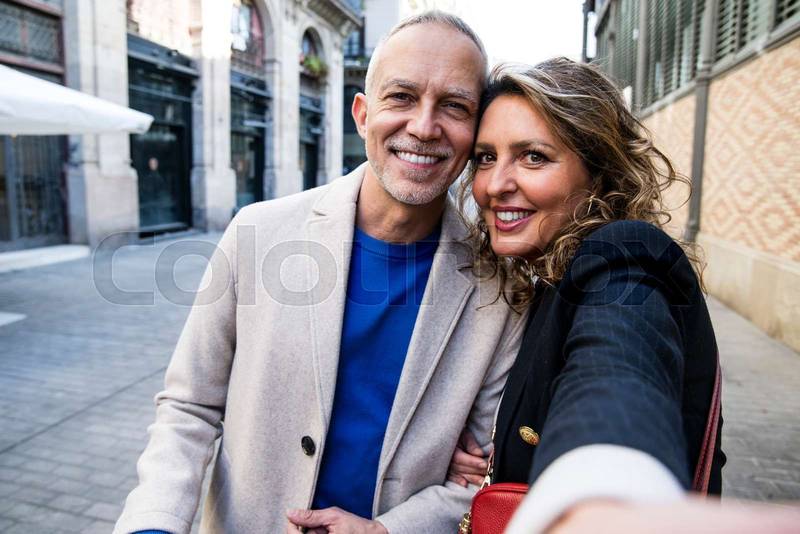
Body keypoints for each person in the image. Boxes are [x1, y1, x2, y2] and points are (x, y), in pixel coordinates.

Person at [113, 12, 527, 534]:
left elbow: (481, 474)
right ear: (362, 114)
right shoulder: (257, 232)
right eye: (401, 97)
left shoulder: (503, 290)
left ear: (476, 130)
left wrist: (388, 530)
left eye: (454, 106)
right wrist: (154, 522)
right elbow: (189, 408)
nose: (424, 127)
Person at [451, 57, 726, 532]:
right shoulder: (553, 274)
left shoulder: (623, 257)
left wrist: (602, 487)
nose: (495, 185)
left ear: (598, 172)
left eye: (533, 156)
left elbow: (616, 372)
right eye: (486, 158)